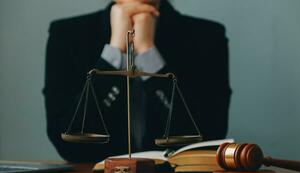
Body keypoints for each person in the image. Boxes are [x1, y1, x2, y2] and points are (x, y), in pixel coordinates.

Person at [43, 0, 231, 162]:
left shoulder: (208, 36)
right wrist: (114, 53)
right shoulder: (67, 35)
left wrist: (148, 53)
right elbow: (67, 143)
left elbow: (208, 137)